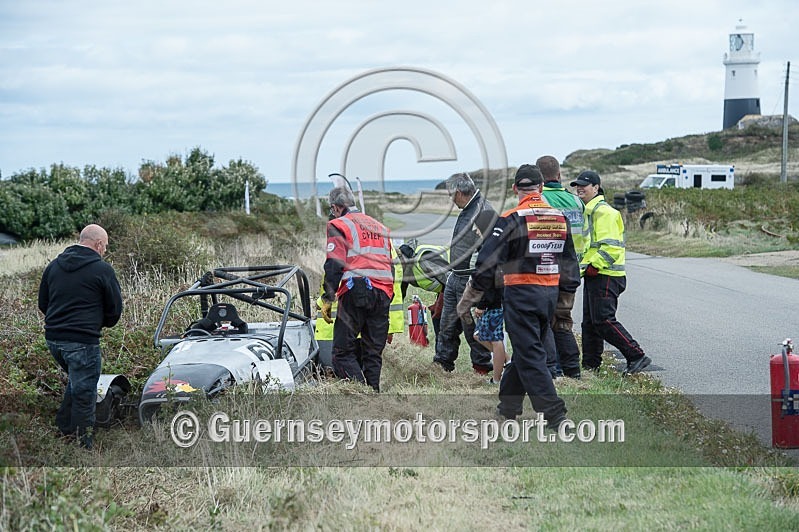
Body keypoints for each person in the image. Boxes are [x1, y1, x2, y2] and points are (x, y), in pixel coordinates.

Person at [458, 164, 579, 426]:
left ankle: (555, 415)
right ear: (542, 188)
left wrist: (469, 298)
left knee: (532, 354)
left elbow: (487, 261)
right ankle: (508, 408)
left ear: (515, 189)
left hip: (521, 295)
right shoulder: (559, 218)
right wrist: (564, 304)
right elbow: (570, 264)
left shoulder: (511, 218)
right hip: (549, 295)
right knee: (526, 352)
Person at [37, 224, 123, 449]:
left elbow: (43, 303)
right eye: (106, 246)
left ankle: (64, 429)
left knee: (78, 382)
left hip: (54, 340)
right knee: (85, 395)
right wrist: (95, 325)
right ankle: (82, 448)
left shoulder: (54, 266)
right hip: (82, 342)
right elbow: (114, 309)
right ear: (99, 244)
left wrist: (61, 324)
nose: (105, 251)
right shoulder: (102, 270)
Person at [570, 170, 652, 374]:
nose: (579, 188)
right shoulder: (589, 211)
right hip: (594, 275)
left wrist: (594, 266)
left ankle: (636, 355)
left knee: (603, 320)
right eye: (577, 185)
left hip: (605, 275)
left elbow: (611, 247)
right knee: (590, 324)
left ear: (596, 188)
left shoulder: (604, 212)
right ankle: (591, 366)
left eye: (584, 185)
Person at [321, 187, 394, 391]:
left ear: (336, 207)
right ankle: (374, 397)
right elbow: (391, 264)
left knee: (343, 353)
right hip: (383, 292)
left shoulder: (338, 224)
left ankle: (361, 395)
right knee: (372, 352)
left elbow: (334, 264)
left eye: (332, 210)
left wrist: (327, 299)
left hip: (356, 290)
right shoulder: (380, 227)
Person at [433, 172, 495, 374]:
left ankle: (482, 368)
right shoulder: (469, 209)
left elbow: (489, 251)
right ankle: (442, 365)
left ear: (458, 192)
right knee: (446, 326)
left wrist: (475, 283)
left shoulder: (482, 211)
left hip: (470, 280)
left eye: (451, 196)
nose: (451, 201)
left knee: (472, 329)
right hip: (456, 277)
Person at [537, 155, 586, 379]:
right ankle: (573, 369)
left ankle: (554, 368)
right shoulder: (576, 201)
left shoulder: (540, 200)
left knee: (546, 321)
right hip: (573, 268)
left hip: (549, 268)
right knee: (564, 319)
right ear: (559, 175)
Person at [470, 211, 507, 385]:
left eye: (476, 226)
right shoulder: (493, 243)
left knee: (495, 339)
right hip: (496, 299)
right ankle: (508, 362)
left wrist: (482, 304)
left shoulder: (490, 247)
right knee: (480, 335)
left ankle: (497, 378)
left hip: (495, 301)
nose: (474, 230)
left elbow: (490, 280)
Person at [397, 239, 449, 337]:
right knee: (438, 319)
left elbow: (450, 281)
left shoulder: (423, 259)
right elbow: (399, 296)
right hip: (448, 284)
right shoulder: (402, 269)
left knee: (445, 321)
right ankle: (442, 351)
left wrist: (439, 304)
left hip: (463, 280)